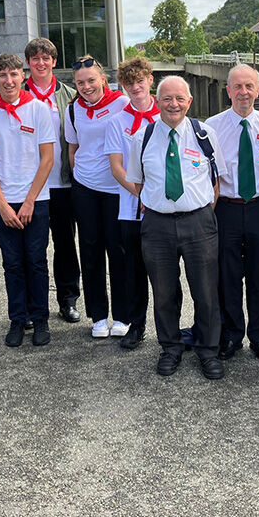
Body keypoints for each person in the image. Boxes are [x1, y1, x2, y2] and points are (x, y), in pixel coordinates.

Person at [126, 75, 227, 380]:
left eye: (179, 99)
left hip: (199, 223)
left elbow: (216, 181)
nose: (174, 104)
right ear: (158, 101)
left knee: (206, 292)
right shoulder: (142, 137)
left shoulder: (206, 134)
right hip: (157, 225)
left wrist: (200, 210)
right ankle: (170, 347)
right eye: (167, 98)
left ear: (189, 102)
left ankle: (208, 350)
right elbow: (138, 181)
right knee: (165, 292)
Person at [0, 53, 55, 347]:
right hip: (4, 202)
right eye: (2, 75)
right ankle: (18, 319)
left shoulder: (39, 110)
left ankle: (41, 319)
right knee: (11, 264)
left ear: (23, 75)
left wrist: (30, 201)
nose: (8, 81)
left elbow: (47, 159)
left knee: (36, 262)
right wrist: (1, 204)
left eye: (13, 74)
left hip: (36, 200)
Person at [206, 64, 259, 363]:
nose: (243, 92)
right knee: (227, 275)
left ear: (258, 91)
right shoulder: (211, 126)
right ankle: (232, 334)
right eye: (237, 87)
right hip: (226, 207)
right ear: (228, 91)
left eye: (249, 86)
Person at [64, 55, 130, 338]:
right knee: (90, 252)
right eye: (80, 83)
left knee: (119, 251)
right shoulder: (73, 110)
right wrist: (77, 176)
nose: (87, 87)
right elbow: (72, 148)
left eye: (91, 80)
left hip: (116, 189)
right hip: (85, 189)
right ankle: (99, 316)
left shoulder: (121, 104)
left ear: (103, 79)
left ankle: (124, 315)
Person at [104, 56, 161, 350]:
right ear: (122, 86)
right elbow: (117, 167)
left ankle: (169, 330)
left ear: (150, 80)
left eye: (140, 81)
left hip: (164, 210)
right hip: (131, 209)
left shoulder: (168, 113)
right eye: (129, 83)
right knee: (134, 272)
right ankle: (136, 326)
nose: (136, 87)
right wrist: (142, 196)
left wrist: (156, 199)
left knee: (165, 274)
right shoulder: (117, 121)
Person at [24, 38, 81, 323]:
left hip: (62, 182)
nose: (41, 63)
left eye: (46, 58)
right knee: (32, 248)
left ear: (54, 62)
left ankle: (68, 299)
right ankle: (33, 305)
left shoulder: (70, 96)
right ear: (28, 63)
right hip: (30, 185)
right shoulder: (18, 94)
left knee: (65, 244)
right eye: (35, 58)